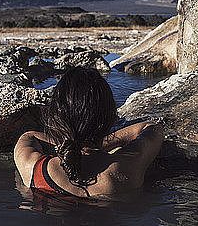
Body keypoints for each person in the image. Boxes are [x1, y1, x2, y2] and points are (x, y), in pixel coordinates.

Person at [14, 67, 164, 199]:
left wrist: (71, 143)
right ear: (108, 117)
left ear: (56, 115)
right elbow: (152, 127)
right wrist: (101, 143)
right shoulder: (125, 167)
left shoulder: (33, 167)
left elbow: (29, 135)